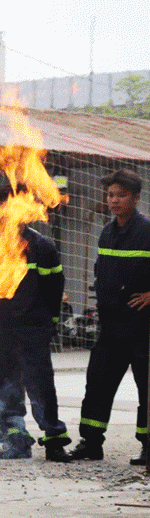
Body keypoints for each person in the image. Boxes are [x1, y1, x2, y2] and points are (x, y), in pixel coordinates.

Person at [0, 184, 71, 462]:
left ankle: (54, 441)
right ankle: (16, 439)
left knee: (40, 385)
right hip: (1, 329)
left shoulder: (41, 247)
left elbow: (54, 287)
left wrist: (50, 322)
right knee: (5, 385)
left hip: (33, 328)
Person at [71, 168, 150, 464]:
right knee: (98, 384)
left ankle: (147, 445)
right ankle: (91, 444)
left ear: (137, 198)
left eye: (121, 195)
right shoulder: (106, 230)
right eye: (110, 195)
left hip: (142, 326)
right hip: (111, 326)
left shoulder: (147, 230)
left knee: (147, 387)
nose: (114, 201)